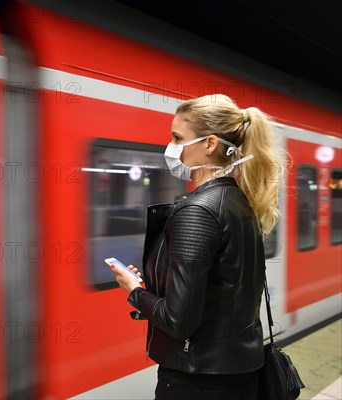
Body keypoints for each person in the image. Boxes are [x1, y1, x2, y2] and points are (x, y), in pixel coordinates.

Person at [111, 94, 283, 399]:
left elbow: (179, 322)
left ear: (209, 144)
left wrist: (135, 291)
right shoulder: (241, 203)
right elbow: (219, 291)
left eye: (178, 137)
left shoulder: (198, 211)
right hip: (238, 371)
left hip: (199, 379)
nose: (172, 146)